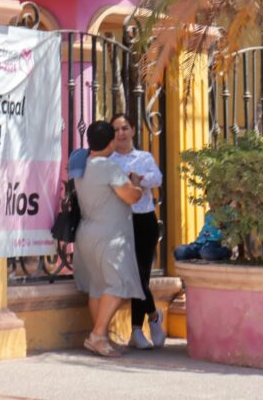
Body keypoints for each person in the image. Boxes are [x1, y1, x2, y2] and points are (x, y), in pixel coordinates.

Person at [72, 120, 145, 358]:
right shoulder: (109, 168)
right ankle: (97, 335)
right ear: (111, 142)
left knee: (97, 287)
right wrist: (135, 184)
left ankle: (101, 336)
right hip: (110, 236)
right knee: (117, 285)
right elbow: (131, 197)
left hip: (87, 233)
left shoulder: (81, 165)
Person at [109, 113, 165, 350]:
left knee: (140, 274)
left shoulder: (143, 157)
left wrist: (140, 178)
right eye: (116, 130)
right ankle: (153, 316)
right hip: (121, 222)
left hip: (144, 221)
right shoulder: (109, 160)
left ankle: (136, 330)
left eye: (125, 128)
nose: (121, 133)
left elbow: (157, 178)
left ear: (133, 131)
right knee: (133, 276)